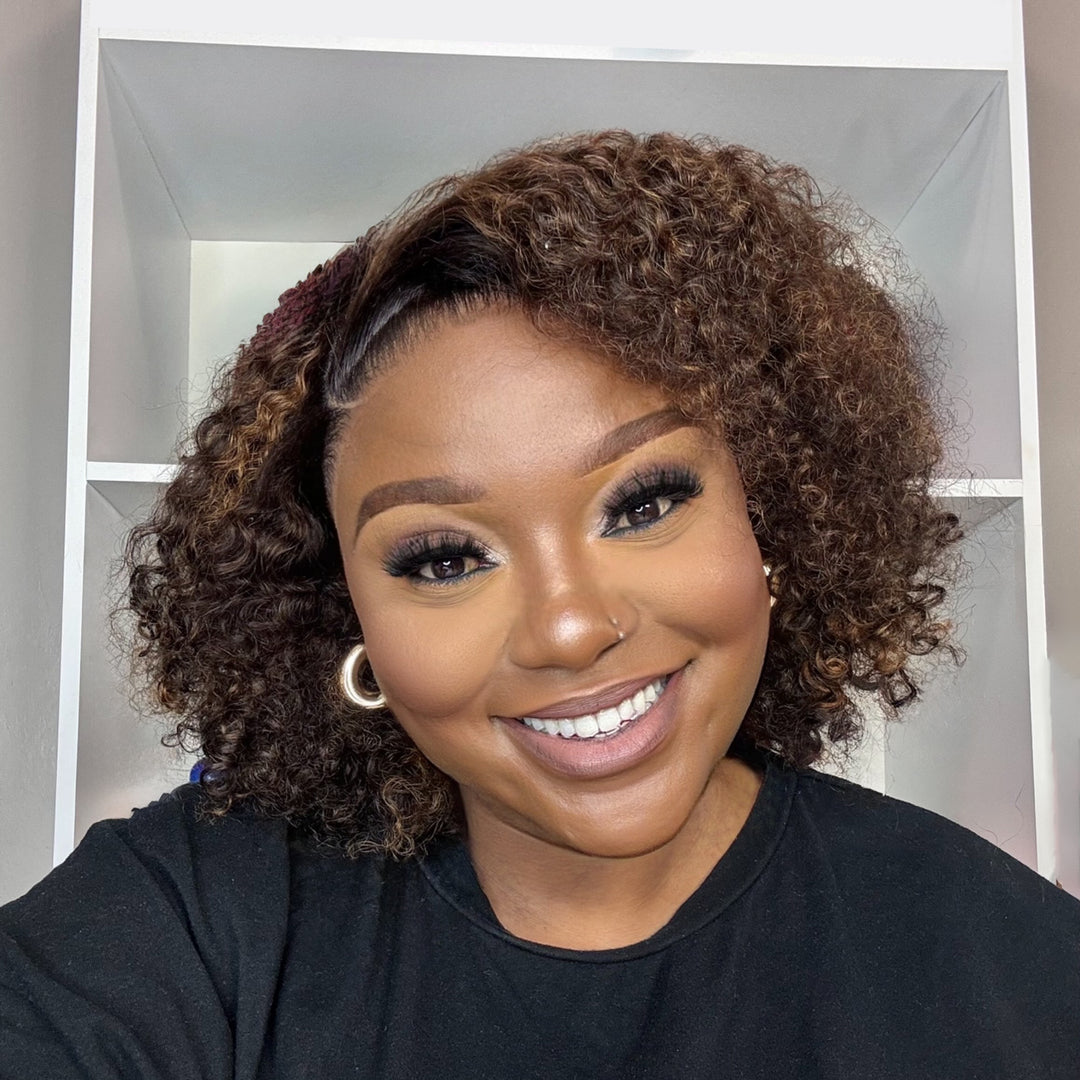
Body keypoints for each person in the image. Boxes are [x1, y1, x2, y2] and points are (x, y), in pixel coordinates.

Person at [1, 130, 1077, 1078]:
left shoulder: (1012, 962)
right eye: (442, 559)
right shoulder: (192, 921)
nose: (569, 628)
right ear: (346, 620)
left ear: (771, 519)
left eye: (644, 502)